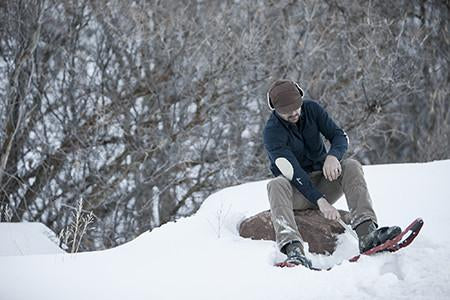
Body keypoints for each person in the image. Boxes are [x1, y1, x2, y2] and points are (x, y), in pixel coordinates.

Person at [263, 79, 401, 269]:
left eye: (296, 107)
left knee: (351, 165)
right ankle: (293, 250)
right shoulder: (271, 133)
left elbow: (339, 135)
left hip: (324, 180)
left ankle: (367, 232)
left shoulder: (312, 109)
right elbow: (294, 173)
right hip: (297, 193)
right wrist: (320, 201)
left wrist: (333, 156)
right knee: (276, 184)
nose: (294, 112)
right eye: (287, 111)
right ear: (275, 110)